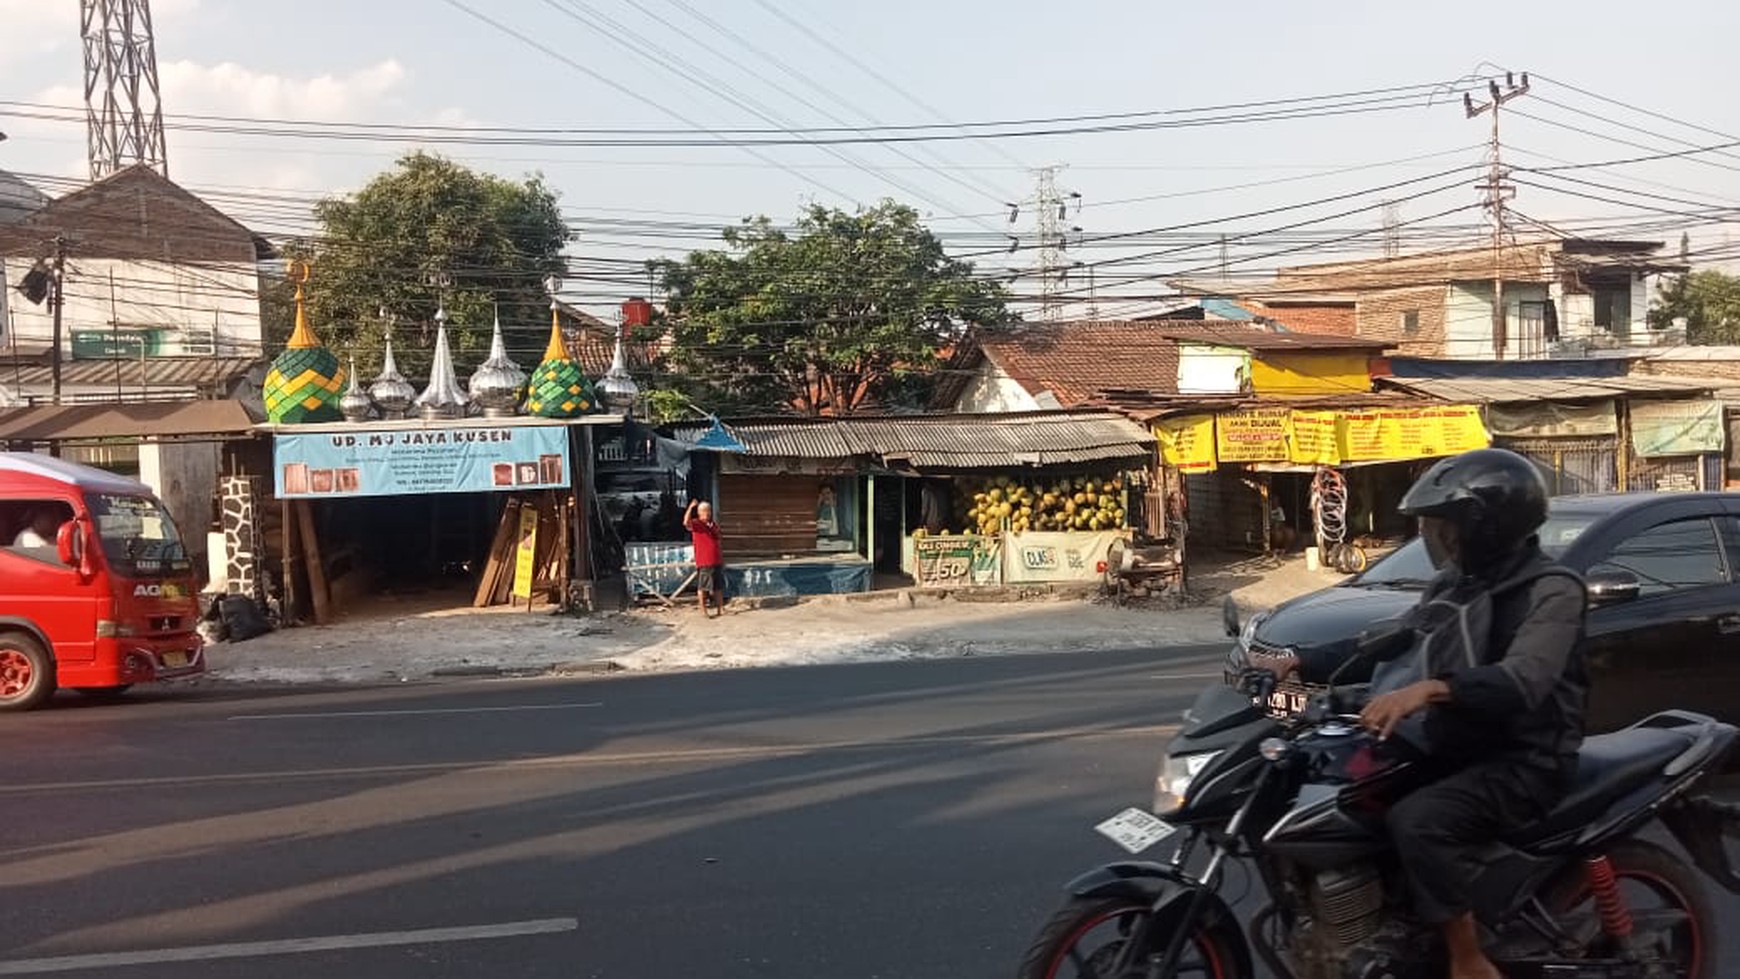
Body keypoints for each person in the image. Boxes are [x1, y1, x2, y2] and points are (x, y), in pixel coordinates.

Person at [1256, 448, 1587, 979]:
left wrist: (1430, 690)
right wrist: (1297, 659)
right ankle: (1384, 920)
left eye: (1445, 527)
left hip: (1525, 757)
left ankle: (1467, 958)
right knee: (1347, 786)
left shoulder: (1553, 591)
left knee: (1419, 820)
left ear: (1487, 526)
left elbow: (1525, 679)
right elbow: (1386, 640)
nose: (1437, 539)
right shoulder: (1455, 585)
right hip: (1455, 742)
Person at [684, 498, 724, 618]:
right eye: (704, 511)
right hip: (704, 561)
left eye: (708, 511)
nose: (707, 513)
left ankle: (720, 609)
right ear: (699, 512)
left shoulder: (712, 525)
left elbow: (718, 539)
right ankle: (703, 610)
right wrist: (691, 508)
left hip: (716, 560)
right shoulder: (696, 523)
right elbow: (686, 523)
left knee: (718, 587)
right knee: (703, 587)